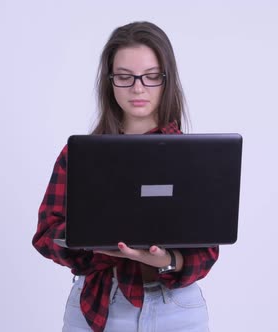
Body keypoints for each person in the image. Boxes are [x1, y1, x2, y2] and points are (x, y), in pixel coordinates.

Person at [32, 21, 218, 332]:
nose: (138, 88)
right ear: (110, 81)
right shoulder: (80, 155)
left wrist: (166, 260)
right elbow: (46, 234)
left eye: (151, 76)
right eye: (124, 77)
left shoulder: (193, 158)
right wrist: (92, 244)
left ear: (166, 79)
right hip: (98, 307)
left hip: (175, 308)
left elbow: (207, 251)